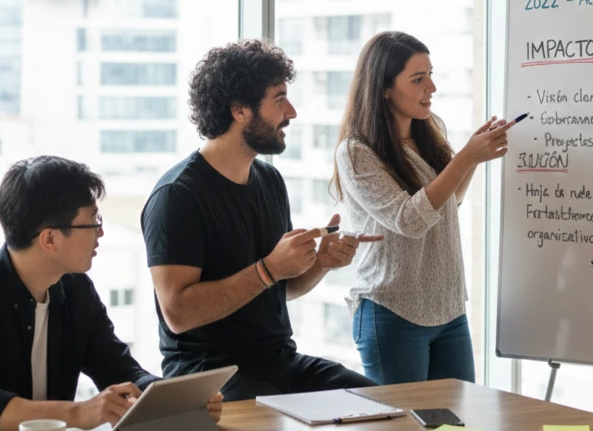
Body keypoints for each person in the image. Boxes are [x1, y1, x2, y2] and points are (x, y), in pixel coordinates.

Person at [0, 156, 223, 431]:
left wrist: (174, 399)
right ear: (49, 239)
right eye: (92, 222)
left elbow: (119, 370)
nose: (101, 233)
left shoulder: (75, 291)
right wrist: (80, 413)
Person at [142, 39, 381, 401]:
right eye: (279, 99)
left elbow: (278, 288)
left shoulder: (270, 181)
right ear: (240, 110)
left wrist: (320, 264)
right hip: (211, 373)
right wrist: (268, 268)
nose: (292, 112)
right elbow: (177, 312)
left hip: (279, 362)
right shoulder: (177, 195)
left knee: (379, 405)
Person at [332, 31, 514, 384]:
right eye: (418, 79)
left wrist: (473, 159)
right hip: (392, 311)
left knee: (456, 428)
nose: (431, 88)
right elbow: (410, 220)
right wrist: (465, 158)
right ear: (384, 88)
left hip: (448, 308)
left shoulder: (427, 132)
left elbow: (449, 202)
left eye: (431, 75)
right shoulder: (356, 152)